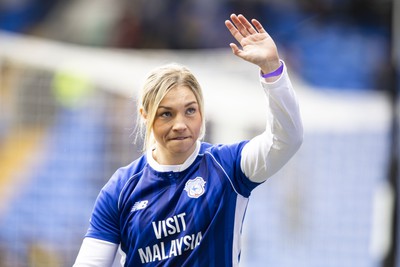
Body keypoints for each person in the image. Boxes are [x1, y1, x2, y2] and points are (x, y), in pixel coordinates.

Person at [73, 13, 303, 266]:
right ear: (145, 115)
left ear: (202, 112)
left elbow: (287, 139)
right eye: (166, 114)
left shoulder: (228, 167)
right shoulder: (120, 189)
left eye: (190, 110)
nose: (180, 124)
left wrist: (272, 69)